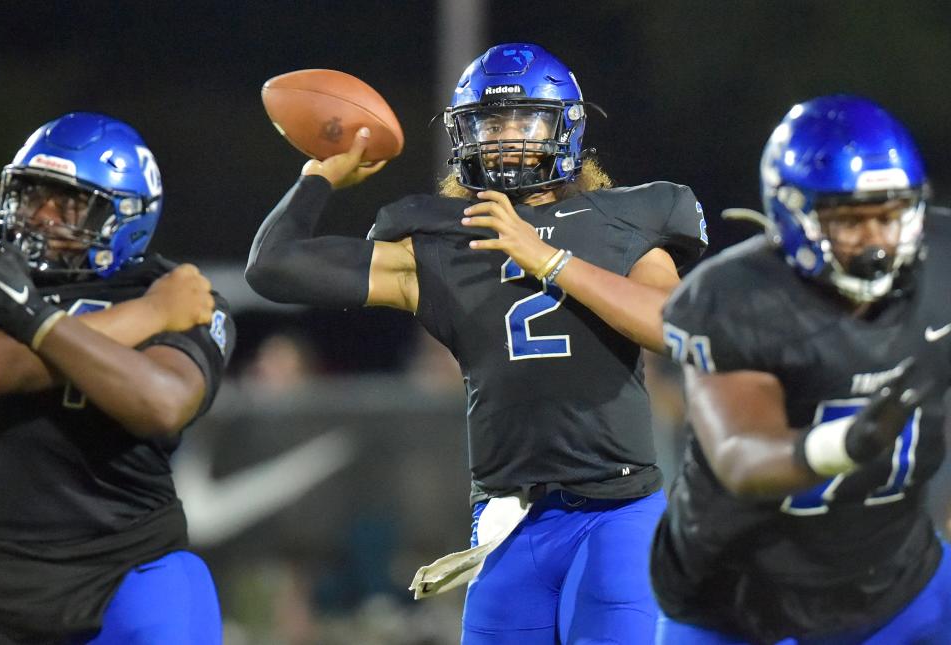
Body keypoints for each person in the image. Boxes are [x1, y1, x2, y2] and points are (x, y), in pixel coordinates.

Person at [247, 42, 706, 643]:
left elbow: (674, 326)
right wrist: (320, 174)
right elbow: (274, 267)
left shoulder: (625, 219)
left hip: (617, 512)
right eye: (490, 124)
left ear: (565, 127)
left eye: (524, 120)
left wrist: (550, 259)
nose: (506, 139)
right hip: (508, 521)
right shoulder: (441, 242)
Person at [654, 95, 951, 644]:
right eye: (852, 220)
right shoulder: (737, 298)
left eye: (889, 216)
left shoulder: (942, 260)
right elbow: (741, 456)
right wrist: (847, 443)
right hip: (738, 603)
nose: (877, 239)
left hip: (896, 584)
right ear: (793, 214)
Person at [0, 112, 235, 644]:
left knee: (179, 591)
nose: (42, 217)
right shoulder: (153, 305)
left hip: (125, 570)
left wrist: (28, 319)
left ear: (125, 218)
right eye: (33, 196)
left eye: (69, 204)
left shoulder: (175, 291)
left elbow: (163, 401)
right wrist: (143, 319)